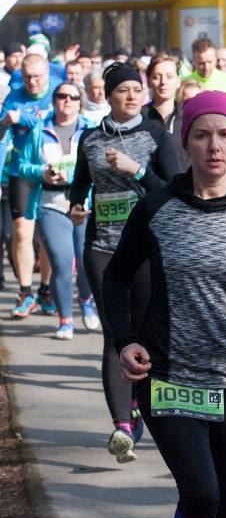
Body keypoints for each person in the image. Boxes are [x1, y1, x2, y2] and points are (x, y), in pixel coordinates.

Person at [102, 91, 226, 518]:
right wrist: (124, 340)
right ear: (186, 142)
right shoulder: (156, 207)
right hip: (170, 376)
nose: (214, 145)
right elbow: (115, 278)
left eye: (225, 134)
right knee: (202, 495)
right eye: (202, 135)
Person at [69, 61, 181, 463]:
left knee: (144, 332)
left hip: (149, 250)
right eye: (123, 90)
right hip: (102, 247)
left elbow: (175, 191)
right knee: (116, 336)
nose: (132, 96)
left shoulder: (155, 135)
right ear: (109, 96)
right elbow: (79, 187)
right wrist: (77, 207)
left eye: (138, 89)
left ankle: (139, 404)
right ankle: (121, 426)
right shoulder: (90, 139)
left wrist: (138, 171)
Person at [18, 82, 99, 339]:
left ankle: (86, 300)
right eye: (62, 96)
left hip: (83, 203)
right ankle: (65, 320)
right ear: (54, 100)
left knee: (86, 260)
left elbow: (97, 166)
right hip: (50, 203)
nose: (67, 100)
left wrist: (73, 175)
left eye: (73, 96)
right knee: (62, 262)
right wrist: (43, 172)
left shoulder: (90, 129)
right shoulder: (39, 129)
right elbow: (22, 166)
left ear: (80, 102)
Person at [2, 53, 57, 318]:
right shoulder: (14, 95)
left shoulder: (59, 92)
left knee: (48, 235)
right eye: (26, 77)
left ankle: (46, 289)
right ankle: (25, 292)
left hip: (51, 169)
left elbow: (57, 122)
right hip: (20, 170)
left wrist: (22, 118)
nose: (32, 82)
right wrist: (6, 120)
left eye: (37, 77)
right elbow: (2, 132)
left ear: (47, 73)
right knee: (21, 232)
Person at [142, 53, 187, 170]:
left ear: (178, 81)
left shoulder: (189, 117)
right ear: (148, 81)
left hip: (185, 186)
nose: (163, 82)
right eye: (157, 76)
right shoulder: (139, 117)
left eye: (169, 76)